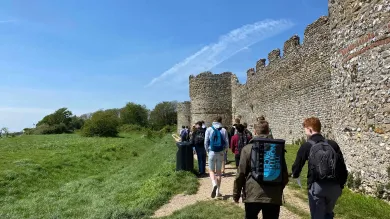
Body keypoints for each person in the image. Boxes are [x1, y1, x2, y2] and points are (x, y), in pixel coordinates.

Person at [292, 117, 348, 219]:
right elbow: (342, 167)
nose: (305, 132)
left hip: (317, 186)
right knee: (328, 214)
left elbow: (297, 167)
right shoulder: (332, 144)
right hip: (334, 187)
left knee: (317, 216)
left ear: (309, 129)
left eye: (305, 129)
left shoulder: (306, 145)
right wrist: (340, 185)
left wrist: (295, 175)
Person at [233, 120, 288, 219]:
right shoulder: (276, 148)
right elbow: (284, 174)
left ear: (255, 132)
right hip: (273, 195)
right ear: (268, 131)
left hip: (252, 194)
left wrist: (236, 194)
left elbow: (240, 174)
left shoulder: (247, 149)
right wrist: (278, 189)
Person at [204, 116, 229, 198]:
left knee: (211, 171)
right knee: (219, 173)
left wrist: (207, 151)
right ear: (221, 121)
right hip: (220, 152)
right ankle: (218, 192)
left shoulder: (209, 129)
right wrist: (224, 151)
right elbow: (226, 143)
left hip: (212, 152)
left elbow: (206, 142)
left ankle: (214, 184)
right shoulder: (223, 130)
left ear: (213, 121)